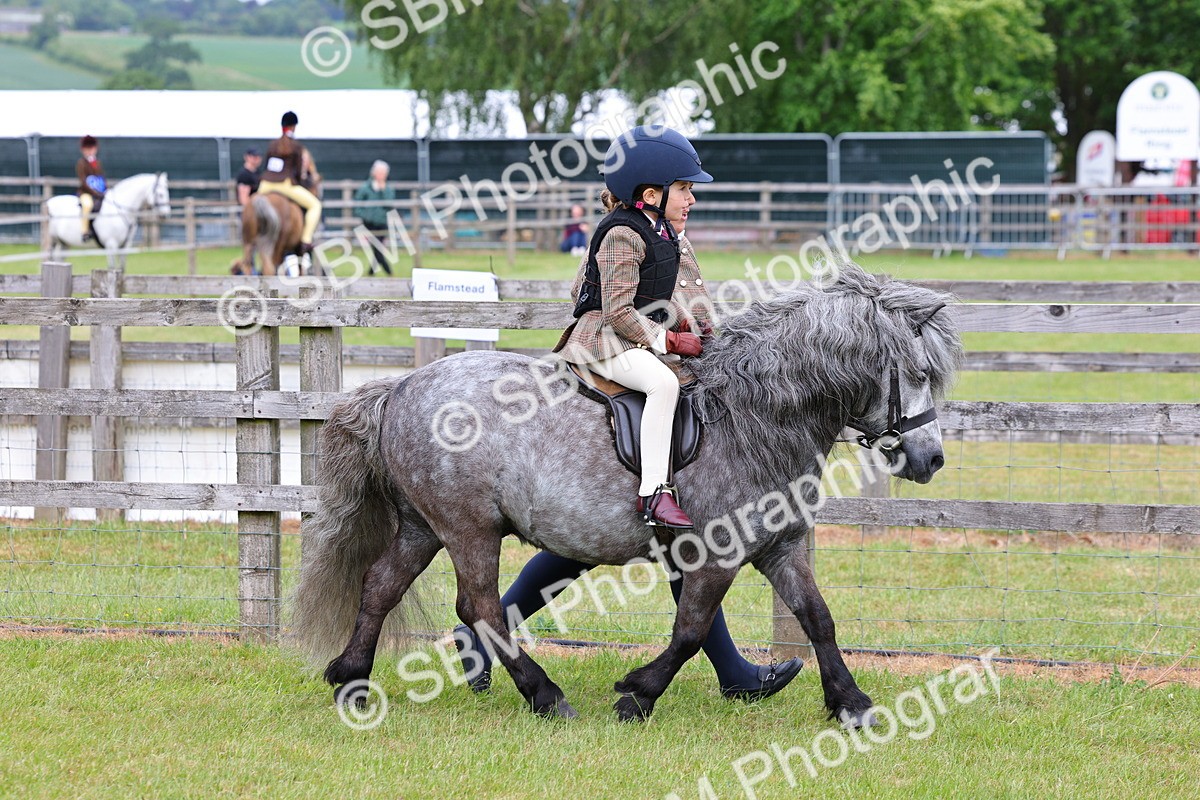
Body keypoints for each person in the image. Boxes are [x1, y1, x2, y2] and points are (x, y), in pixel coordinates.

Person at [454, 126, 804, 702]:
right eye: (684, 187)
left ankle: (730, 670)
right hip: (616, 356)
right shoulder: (622, 233)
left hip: (659, 358)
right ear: (650, 191)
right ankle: (731, 668)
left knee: (595, 546)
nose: (693, 198)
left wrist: (717, 341)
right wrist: (672, 343)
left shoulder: (673, 235)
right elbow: (610, 308)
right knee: (649, 536)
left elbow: (696, 302)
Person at [256, 111, 322, 256]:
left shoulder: (272, 144)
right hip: (285, 185)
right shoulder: (296, 146)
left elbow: (266, 166)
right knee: (315, 205)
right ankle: (306, 240)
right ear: (294, 126)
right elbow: (297, 172)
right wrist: (300, 183)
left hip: (265, 184)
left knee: (251, 205)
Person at [353, 159, 396, 275]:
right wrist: (365, 216)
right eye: (380, 173)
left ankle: (371, 272)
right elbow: (357, 205)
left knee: (378, 249)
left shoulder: (388, 189)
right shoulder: (365, 188)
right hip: (369, 224)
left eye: (384, 173)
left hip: (382, 223)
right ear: (374, 173)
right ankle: (389, 273)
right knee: (378, 249)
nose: (382, 176)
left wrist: (383, 191)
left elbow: (390, 204)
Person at [76, 135, 106, 242]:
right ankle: (84, 231)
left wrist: (104, 190)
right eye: (87, 149)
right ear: (83, 150)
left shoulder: (97, 163)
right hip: (86, 193)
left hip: (99, 192)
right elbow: (83, 182)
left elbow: (101, 178)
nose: (90, 151)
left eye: (91, 149)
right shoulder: (81, 163)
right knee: (87, 205)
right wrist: (94, 193)